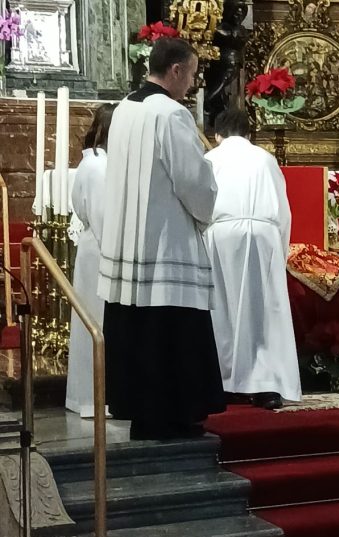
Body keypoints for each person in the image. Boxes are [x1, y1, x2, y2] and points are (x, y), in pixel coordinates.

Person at [98, 37, 224, 441]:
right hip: (166, 245)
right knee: (170, 333)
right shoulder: (170, 114)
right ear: (175, 71)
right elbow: (193, 180)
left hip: (129, 242)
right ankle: (174, 414)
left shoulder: (125, 109)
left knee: (138, 331)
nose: (191, 83)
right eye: (190, 73)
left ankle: (143, 412)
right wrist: (209, 205)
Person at [205, 109, 301, 409]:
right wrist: (279, 250)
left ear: (217, 135)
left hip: (221, 235)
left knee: (222, 310)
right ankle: (266, 385)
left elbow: (200, 202)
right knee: (263, 314)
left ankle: (222, 381)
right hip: (263, 235)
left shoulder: (210, 159)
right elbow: (283, 210)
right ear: (249, 133)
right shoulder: (265, 159)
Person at [65, 103, 115, 418]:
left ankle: (95, 395)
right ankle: (94, 397)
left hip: (96, 248)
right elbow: (101, 216)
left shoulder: (99, 162)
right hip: (101, 250)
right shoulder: (98, 165)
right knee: (97, 322)